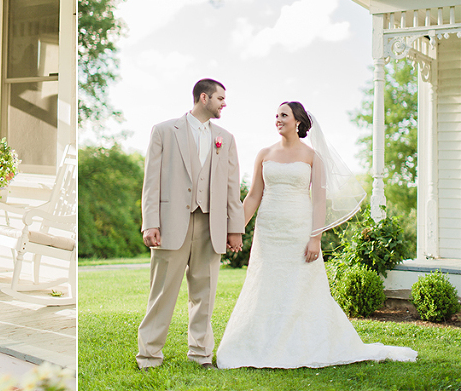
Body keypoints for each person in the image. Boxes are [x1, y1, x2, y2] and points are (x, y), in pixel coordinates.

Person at [216, 101, 417, 369]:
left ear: (298, 121)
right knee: (266, 284)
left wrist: (315, 238)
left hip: (299, 230)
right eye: (276, 115)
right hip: (269, 231)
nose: (277, 119)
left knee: (300, 287)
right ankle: (261, 342)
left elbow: (319, 201)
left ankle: (302, 342)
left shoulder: (313, 157)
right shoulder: (264, 154)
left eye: (283, 115)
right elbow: (253, 196)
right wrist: (235, 229)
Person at [136, 78, 245, 370]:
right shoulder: (163, 131)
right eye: (220, 98)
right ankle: (149, 356)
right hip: (171, 223)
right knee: (162, 294)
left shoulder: (226, 138)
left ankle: (201, 354)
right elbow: (151, 182)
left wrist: (235, 229)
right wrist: (150, 223)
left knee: (205, 294)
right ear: (203, 97)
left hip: (211, 225)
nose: (225, 103)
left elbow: (232, 188)